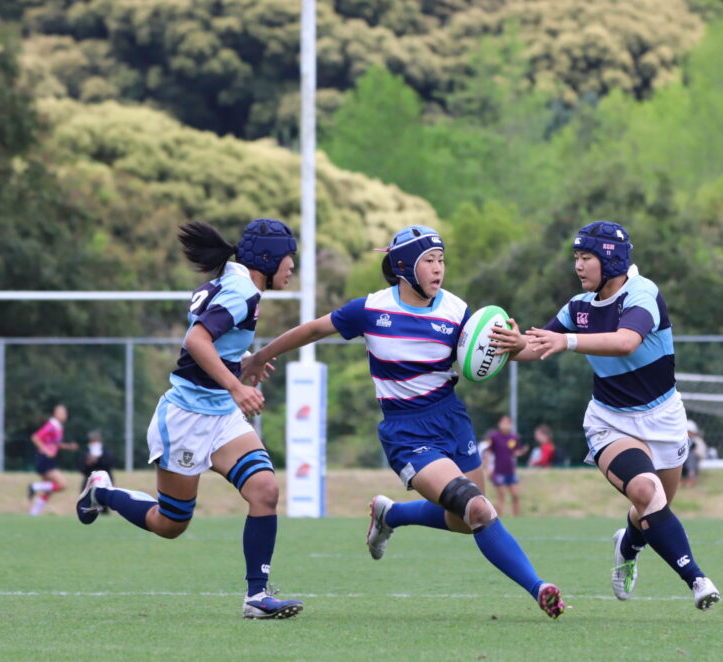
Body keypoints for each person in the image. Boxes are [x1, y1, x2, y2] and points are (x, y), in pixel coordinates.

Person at [242, 225, 566, 619]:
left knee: (468, 520)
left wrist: (518, 346)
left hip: (452, 420)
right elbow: (311, 330)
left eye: (441, 260)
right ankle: (540, 588)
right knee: (478, 509)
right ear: (402, 266)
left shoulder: (456, 311)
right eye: (428, 260)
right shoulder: (372, 309)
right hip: (407, 432)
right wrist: (259, 357)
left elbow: (507, 351)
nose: (438, 268)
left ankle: (390, 514)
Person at [75, 218, 304, 620]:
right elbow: (196, 341)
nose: (291, 267)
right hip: (185, 419)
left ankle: (257, 596)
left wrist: (241, 365)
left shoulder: (237, 284)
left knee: (265, 489)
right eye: (289, 258)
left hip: (221, 418)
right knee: (170, 523)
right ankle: (102, 492)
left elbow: (215, 344)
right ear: (267, 258)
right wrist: (236, 387)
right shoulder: (242, 292)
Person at [492, 220, 720, 610]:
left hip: (665, 418)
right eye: (576, 258)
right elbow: (538, 346)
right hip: (610, 421)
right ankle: (696, 578)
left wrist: (567, 341)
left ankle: (627, 545)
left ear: (611, 261)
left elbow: (626, 341)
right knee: (647, 493)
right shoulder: (578, 308)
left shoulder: (642, 293)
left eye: (586, 258)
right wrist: (513, 345)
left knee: (654, 507)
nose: (578, 266)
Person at [27, 404, 78, 516]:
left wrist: (69, 447)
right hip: (46, 459)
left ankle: (33, 514)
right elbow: (35, 438)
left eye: (65, 412)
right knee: (62, 485)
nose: (65, 415)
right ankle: (35, 486)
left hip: (48, 458)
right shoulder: (51, 425)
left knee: (48, 490)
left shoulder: (58, 427)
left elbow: (56, 444)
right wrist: (46, 451)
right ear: (55, 414)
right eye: (62, 412)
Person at [486, 415, 528, 516]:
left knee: (516, 495)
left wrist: (523, 451)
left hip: (511, 471)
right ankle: (499, 518)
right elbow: (488, 452)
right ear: (499, 424)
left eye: (508, 423)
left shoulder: (514, 437)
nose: (506, 425)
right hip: (498, 471)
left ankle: (517, 518)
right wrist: (488, 468)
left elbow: (516, 451)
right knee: (501, 495)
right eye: (503, 423)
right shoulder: (494, 436)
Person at [682, 420, 706, 487]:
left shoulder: (698, 441)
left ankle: (691, 478)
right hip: (681, 465)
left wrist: (693, 450)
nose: (688, 434)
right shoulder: (679, 441)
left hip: (692, 466)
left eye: (690, 432)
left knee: (691, 454)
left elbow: (702, 455)